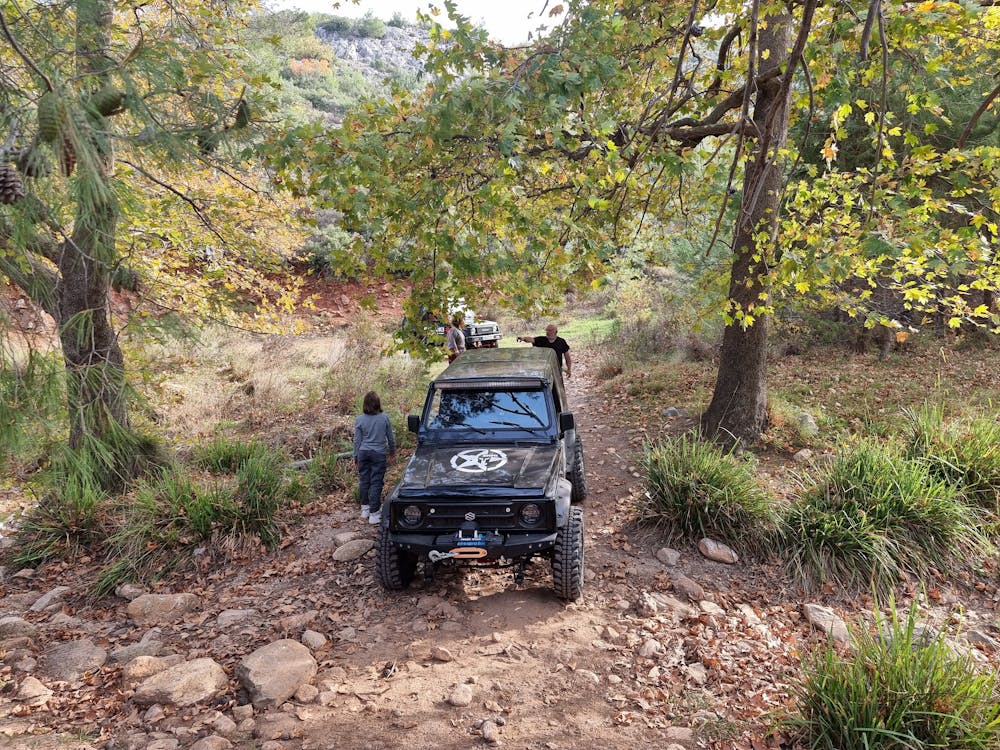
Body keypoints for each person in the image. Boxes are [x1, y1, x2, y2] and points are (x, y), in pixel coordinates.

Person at [353, 391, 396, 525]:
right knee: (376, 482)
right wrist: (392, 451)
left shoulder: (359, 419)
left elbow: (357, 441)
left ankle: (365, 509)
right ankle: (374, 513)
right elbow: (390, 437)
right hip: (378, 453)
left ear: (365, 404)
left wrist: (355, 457)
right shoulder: (384, 418)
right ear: (378, 403)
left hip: (363, 453)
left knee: (364, 481)